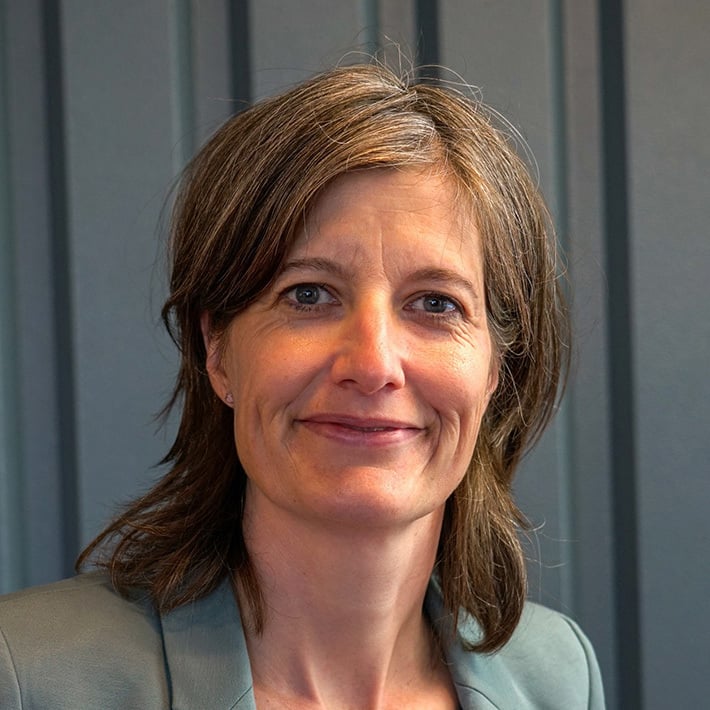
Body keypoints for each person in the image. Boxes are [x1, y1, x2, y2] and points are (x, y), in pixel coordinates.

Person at [0, 63, 604, 709]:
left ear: (495, 371)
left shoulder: (558, 677)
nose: (373, 364)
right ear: (218, 352)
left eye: (436, 304)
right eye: (309, 295)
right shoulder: (28, 675)